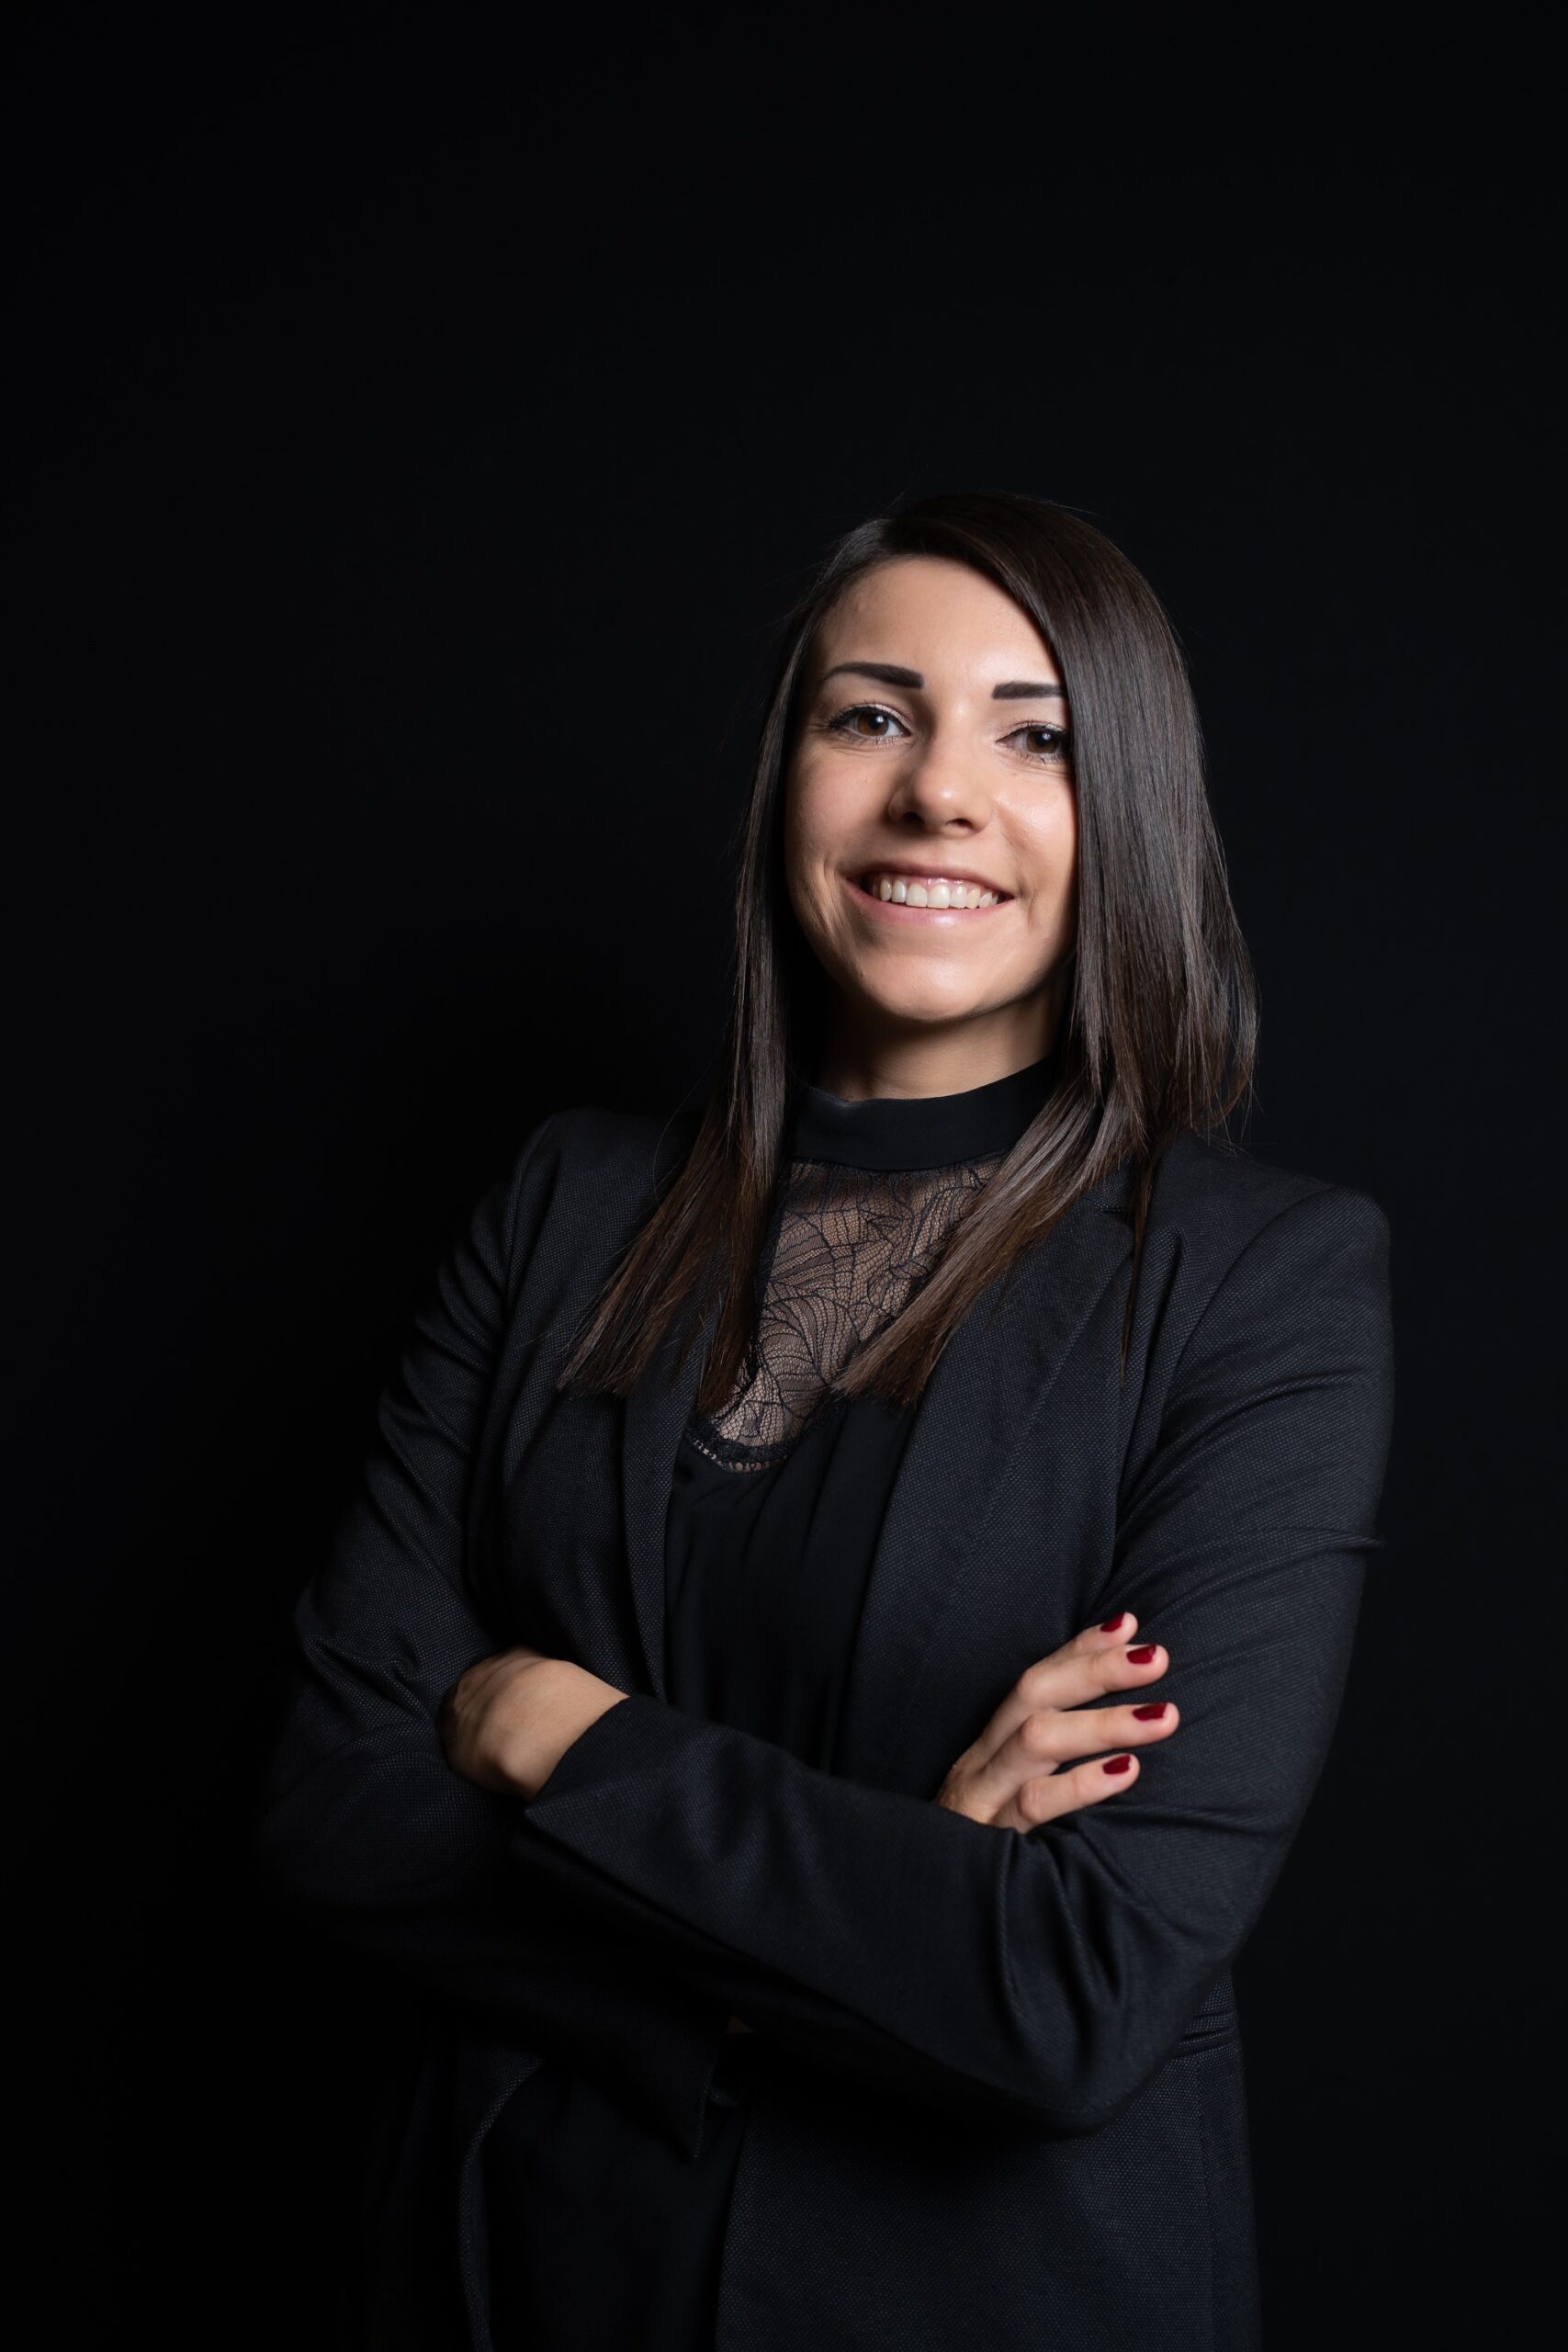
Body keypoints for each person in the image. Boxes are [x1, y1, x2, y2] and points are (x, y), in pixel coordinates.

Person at [254, 490, 1395, 2351]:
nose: (938, 792)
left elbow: (1066, 1990)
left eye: (1033, 735)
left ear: (1128, 813)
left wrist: (556, 1727)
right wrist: (871, 1892)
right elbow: (328, 1801)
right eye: (871, 714)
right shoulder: (565, 1200)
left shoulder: (1255, 1282)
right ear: (787, 770)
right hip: (517, 2275)